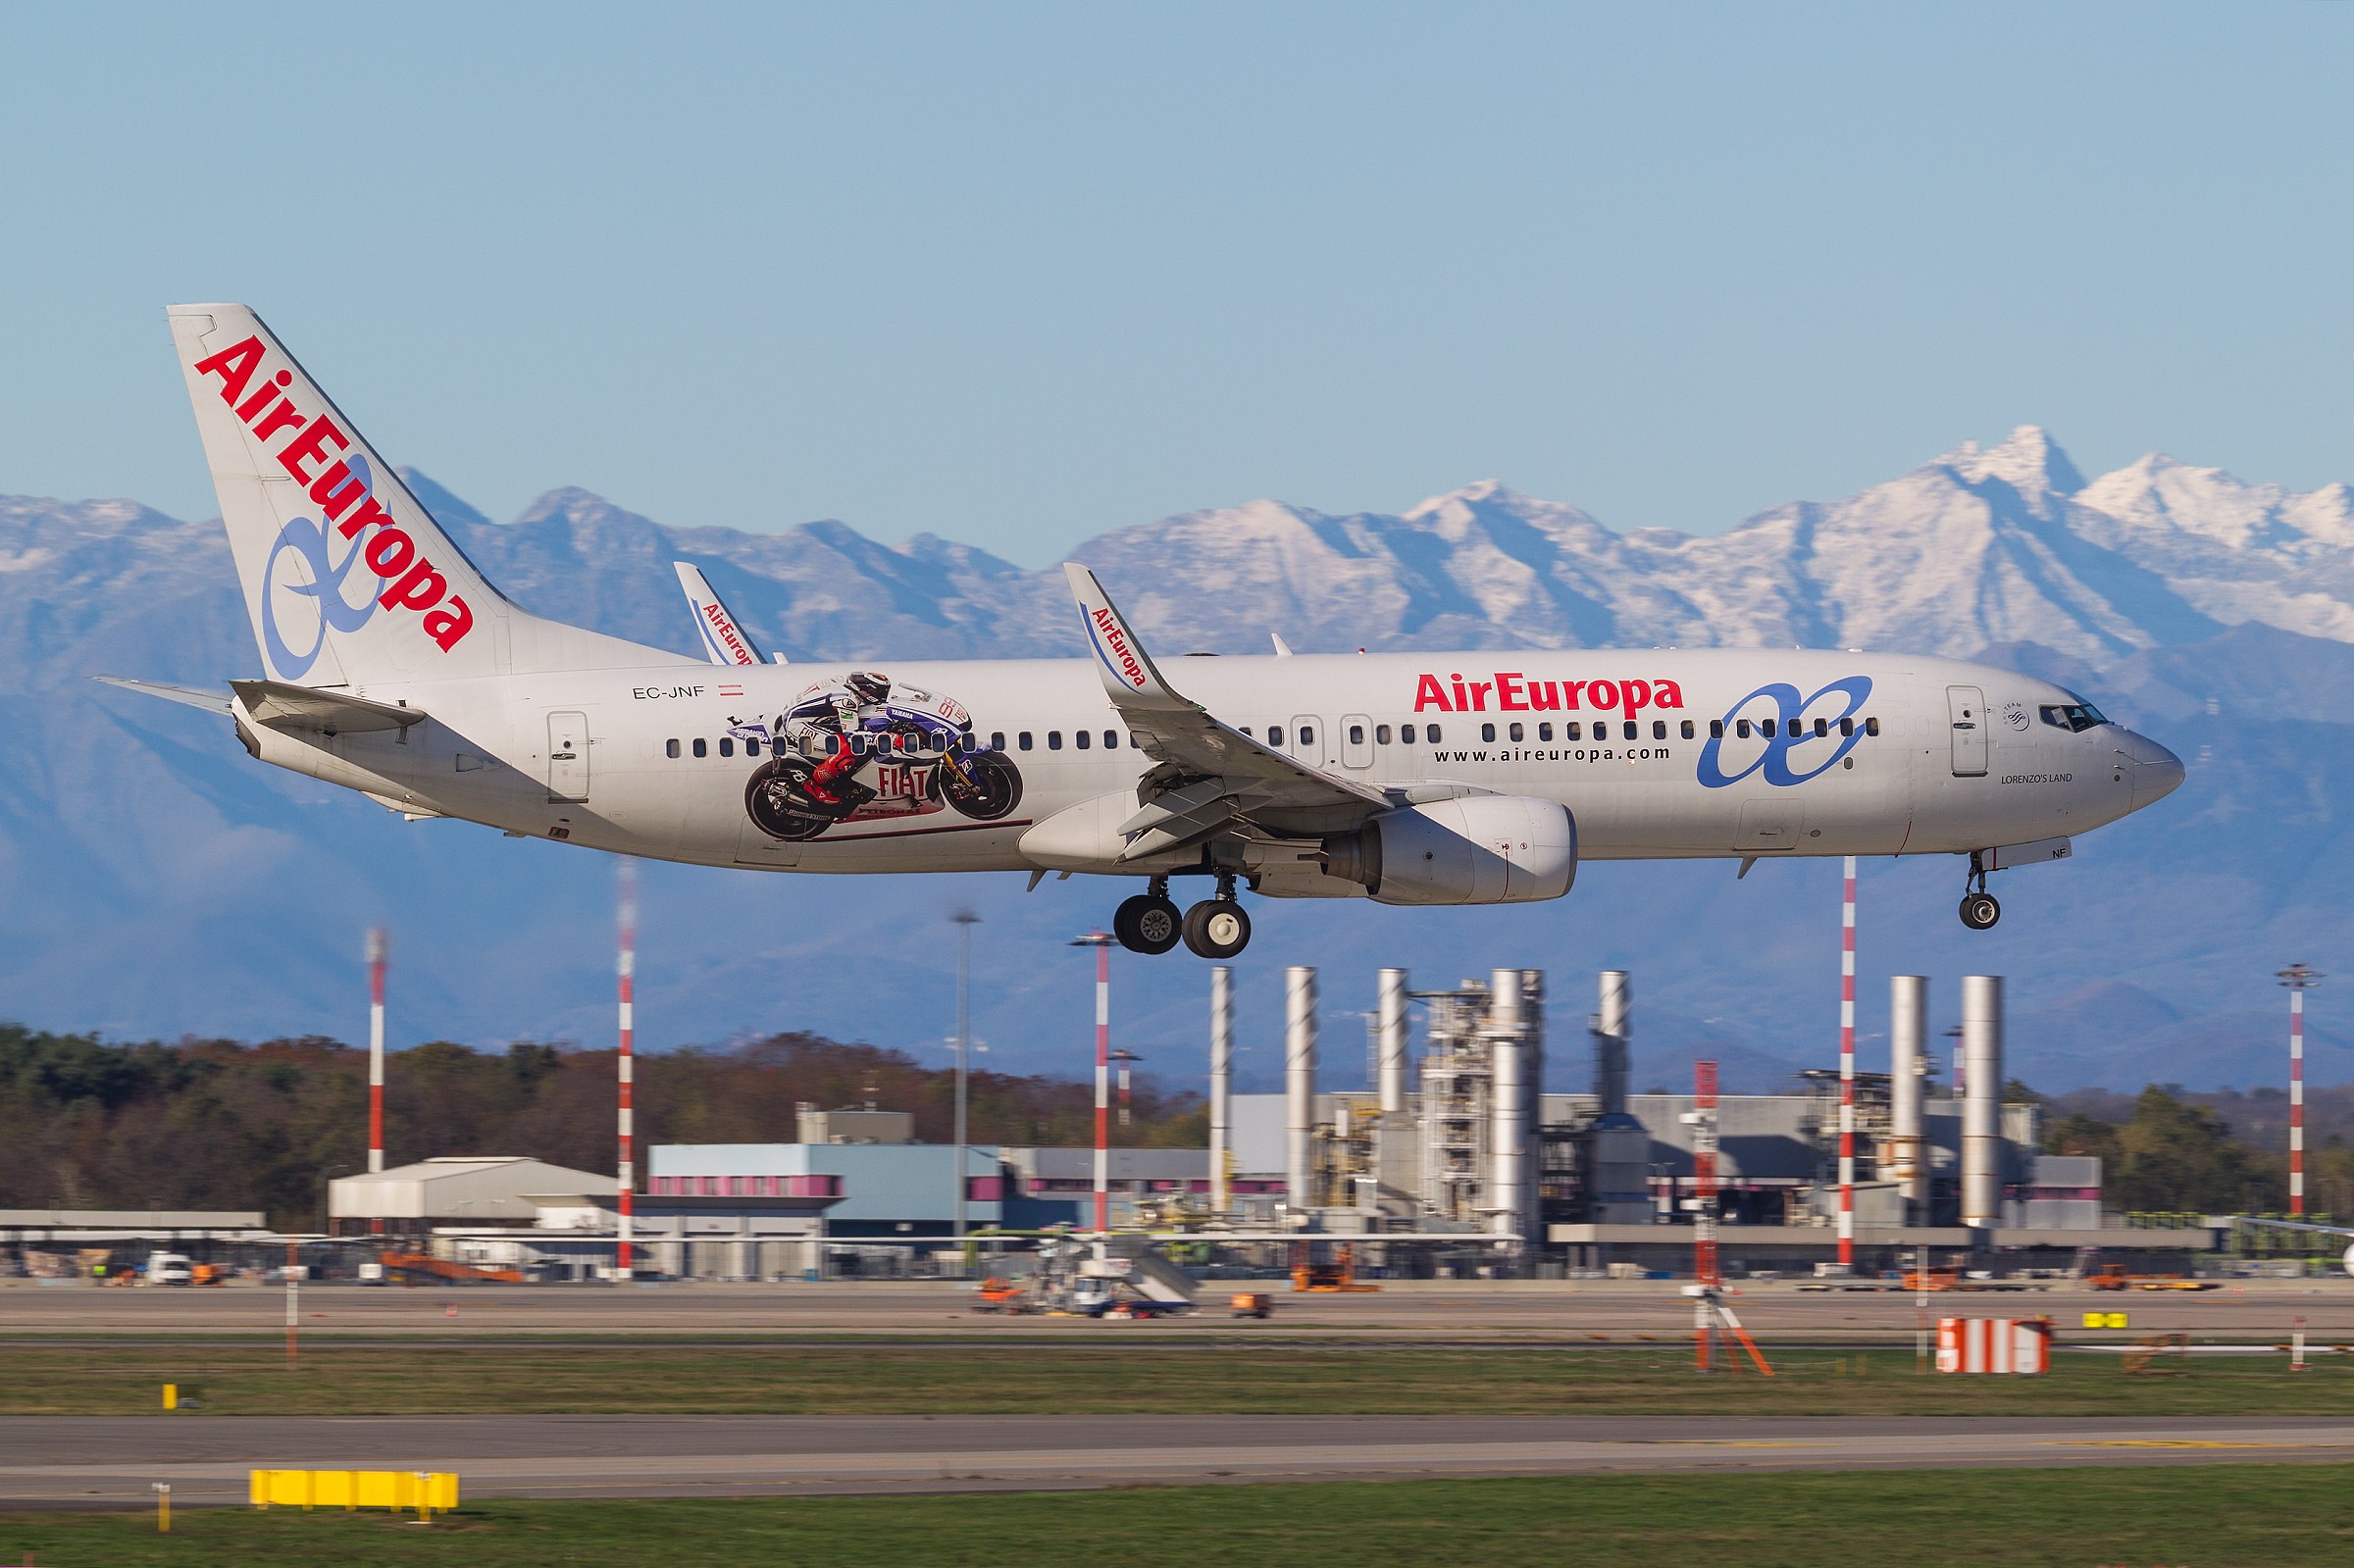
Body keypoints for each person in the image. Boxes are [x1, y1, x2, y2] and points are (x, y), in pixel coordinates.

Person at [782, 671, 894, 805]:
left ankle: (838, 778)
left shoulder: (843, 682)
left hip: (805, 714)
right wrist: (877, 738)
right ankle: (814, 785)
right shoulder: (847, 700)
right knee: (843, 749)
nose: (882, 695)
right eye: (879, 692)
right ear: (865, 690)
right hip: (797, 723)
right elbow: (851, 736)